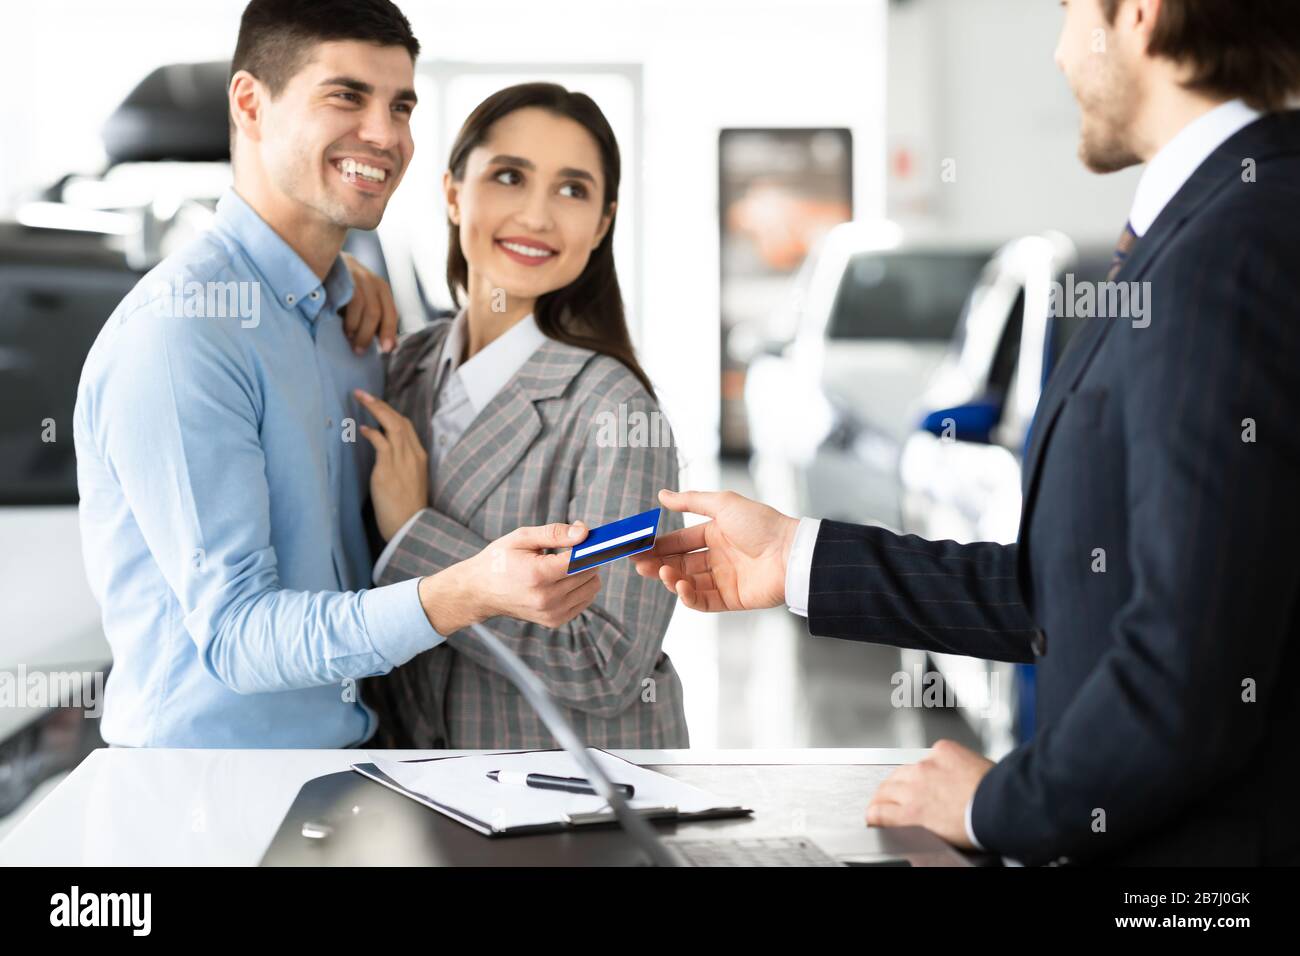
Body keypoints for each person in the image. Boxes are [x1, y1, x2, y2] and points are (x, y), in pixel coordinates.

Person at [635, 0, 1300, 865]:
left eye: (1066, 13)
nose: (1060, 56)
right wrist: (793, 556)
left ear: (1139, 13)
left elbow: (1194, 670)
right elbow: (1081, 590)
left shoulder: (1236, 245)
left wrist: (1000, 804)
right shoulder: (1216, 224)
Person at [73, 0, 601, 748]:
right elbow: (238, 636)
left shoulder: (351, 318)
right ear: (251, 104)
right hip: (210, 797)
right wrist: (465, 590)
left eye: (401, 105)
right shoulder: (181, 333)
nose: (386, 136)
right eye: (345, 96)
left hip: (349, 766)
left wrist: (341, 285)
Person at [359, 83, 687, 749]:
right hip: (421, 795)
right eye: (510, 176)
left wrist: (413, 535)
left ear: (601, 224)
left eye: (572, 190)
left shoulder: (617, 415)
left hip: (574, 807)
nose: (537, 216)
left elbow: (607, 663)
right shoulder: (403, 369)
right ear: (453, 192)